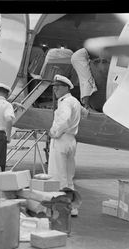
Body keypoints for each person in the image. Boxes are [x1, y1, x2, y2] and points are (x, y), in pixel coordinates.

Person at [48, 75, 81, 216]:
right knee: (68, 175)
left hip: (62, 139)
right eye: (54, 86)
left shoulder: (65, 102)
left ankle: (62, 207)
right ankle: (72, 207)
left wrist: (55, 132)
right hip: (71, 140)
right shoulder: (75, 101)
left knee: (58, 175)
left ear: (66, 88)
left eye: (58, 87)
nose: (55, 89)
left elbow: (65, 120)